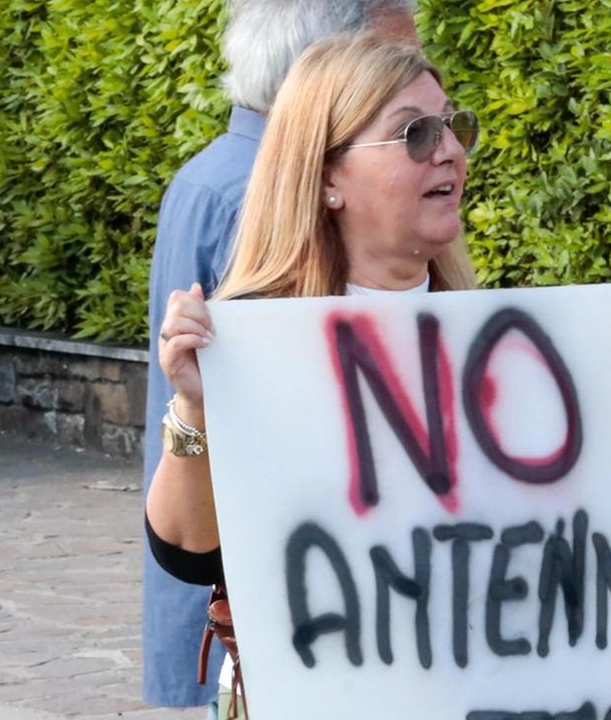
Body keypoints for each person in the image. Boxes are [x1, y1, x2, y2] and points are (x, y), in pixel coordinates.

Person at [146, 32, 611, 716]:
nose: (449, 149)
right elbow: (188, 554)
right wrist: (195, 410)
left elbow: (586, 519)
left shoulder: (502, 346)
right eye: (414, 134)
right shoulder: (255, 344)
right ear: (327, 178)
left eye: (454, 126)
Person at [141, 0, 424, 709]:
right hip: (290, 631)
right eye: (390, 67)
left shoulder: (205, 176)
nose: (441, 145)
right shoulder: (258, 204)